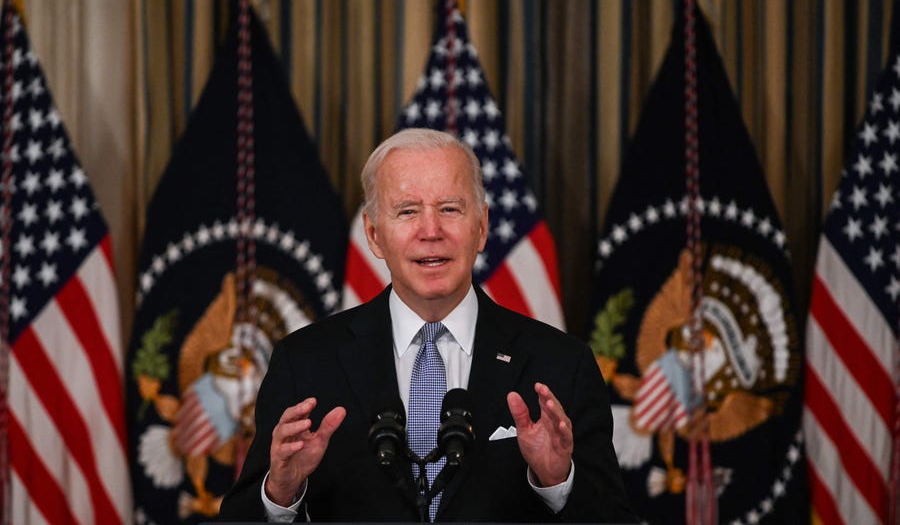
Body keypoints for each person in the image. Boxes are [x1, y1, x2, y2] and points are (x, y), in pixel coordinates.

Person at [218, 128, 634, 522]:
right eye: (407, 211)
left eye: (450, 209)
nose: (430, 231)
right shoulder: (305, 363)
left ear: (483, 226)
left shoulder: (562, 365)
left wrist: (559, 483)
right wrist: (281, 493)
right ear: (374, 234)